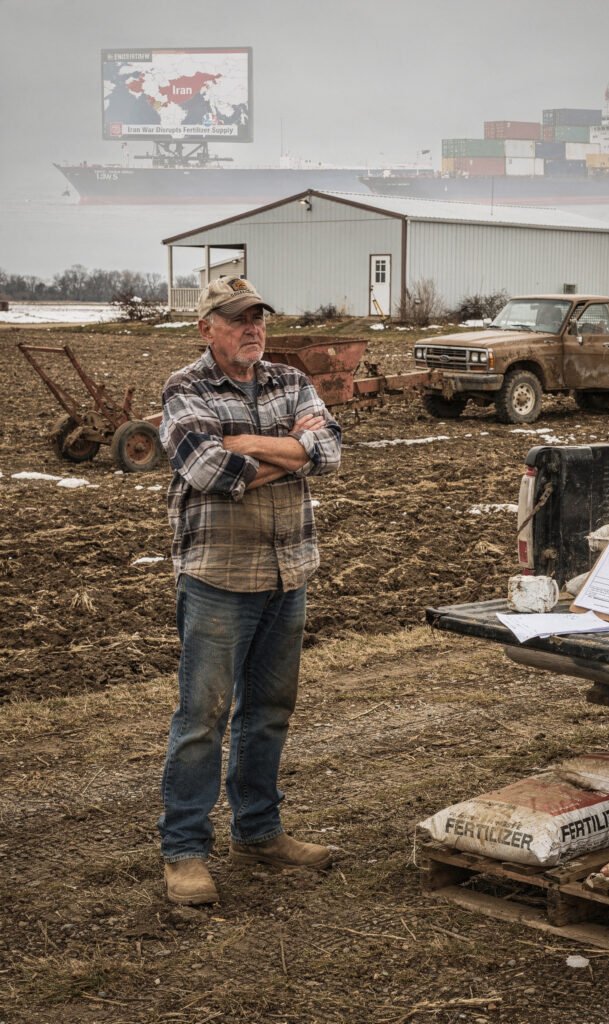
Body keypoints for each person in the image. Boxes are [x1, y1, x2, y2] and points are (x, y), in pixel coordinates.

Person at [158, 276, 342, 905]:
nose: (252, 329)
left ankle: (258, 833)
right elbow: (208, 468)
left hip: (289, 571)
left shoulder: (290, 381)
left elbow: (333, 448)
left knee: (268, 712)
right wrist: (294, 452)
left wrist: (253, 447)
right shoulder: (185, 388)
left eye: (259, 317)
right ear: (206, 326)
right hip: (219, 576)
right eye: (238, 319)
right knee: (203, 717)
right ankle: (184, 850)